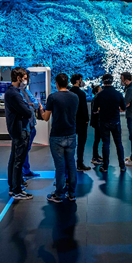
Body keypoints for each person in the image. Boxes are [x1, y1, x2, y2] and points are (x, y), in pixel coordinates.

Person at [42, 73, 79, 203]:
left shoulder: (53, 97)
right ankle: (72, 193)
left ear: (56, 83)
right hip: (71, 134)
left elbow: (46, 117)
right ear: (67, 83)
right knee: (71, 164)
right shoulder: (75, 97)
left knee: (60, 167)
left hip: (57, 135)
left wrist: (40, 110)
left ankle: (58, 194)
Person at [4, 67, 34, 200]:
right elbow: (27, 112)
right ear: (18, 78)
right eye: (25, 78)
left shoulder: (13, 92)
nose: (26, 80)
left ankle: (13, 187)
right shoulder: (14, 94)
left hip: (17, 129)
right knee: (18, 161)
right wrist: (28, 109)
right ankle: (16, 190)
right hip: (20, 130)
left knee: (14, 159)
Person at [93, 74, 126, 173]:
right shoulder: (118, 94)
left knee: (105, 144)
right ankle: (122, 166)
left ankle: (105, 166)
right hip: (116, 121)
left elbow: (95, 110)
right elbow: (123, 108)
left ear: (103, 82)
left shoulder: (99, 95)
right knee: (118, 143)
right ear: (112, 81)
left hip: (104, 122)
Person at [21, 70, 43, 180]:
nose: (27, 80)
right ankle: (22, 173)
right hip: (24, 126)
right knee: (22, 150)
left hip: (31, 124)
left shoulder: (27, 91)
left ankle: (25, 170)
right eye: (25, 78)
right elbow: (25, 106)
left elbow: (36, 104)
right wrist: (31, 105)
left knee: (26, 149)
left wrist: (31, 104)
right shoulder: (17, 93)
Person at [69, 74, 91, 172]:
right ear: (78, 81)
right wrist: (86, 119)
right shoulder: (81, 94)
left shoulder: (69, 92)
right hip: (81, 121)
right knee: (81, 143)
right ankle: (80, 163)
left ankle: (70, 164)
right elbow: (83, 108)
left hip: (71, 121)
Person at [90, 85, 103, 166]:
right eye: (100, 89)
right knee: (97, 139)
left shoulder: (96, 98)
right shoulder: (96, 99)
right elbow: (95, 110)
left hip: (97, 122)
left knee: (97, 139)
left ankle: (96, 155)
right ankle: (94, 157)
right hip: (97, 122)